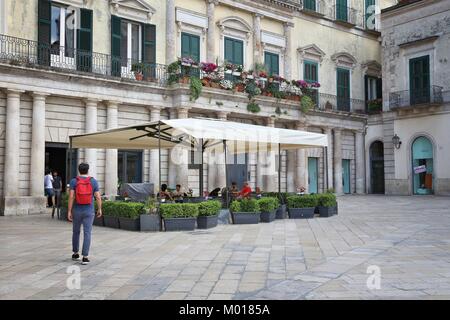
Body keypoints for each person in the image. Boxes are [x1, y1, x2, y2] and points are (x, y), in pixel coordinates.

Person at [68, 163, 102, 265]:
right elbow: (98, 197)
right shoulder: (93, 181)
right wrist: (99, 208)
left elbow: (71, 197)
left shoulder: (74, 181)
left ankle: (75, 253)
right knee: (87, 233)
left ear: (79, 170)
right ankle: (85, 257)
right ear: (88, 170)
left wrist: (69, 211)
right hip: (89, 210)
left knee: (76, 231)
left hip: (77, 210)